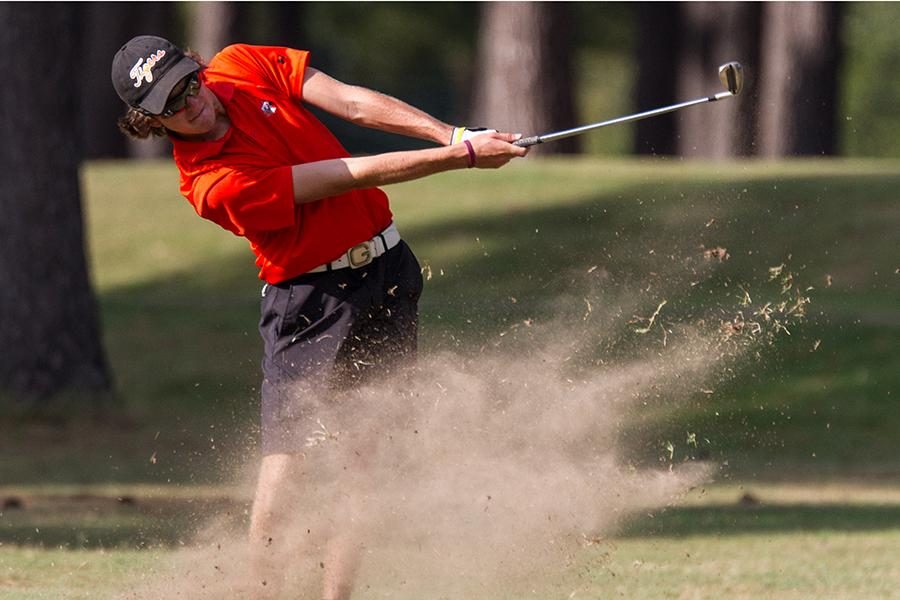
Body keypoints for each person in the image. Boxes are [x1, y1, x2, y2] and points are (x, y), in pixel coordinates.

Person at [111, 35, 528, 598]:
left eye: (190, 80)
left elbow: (351, 103)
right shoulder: (211, 185)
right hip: (310, 303)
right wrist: (461, 158)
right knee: (289, 466)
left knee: (367, 457)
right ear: (151, 122)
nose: (194, 101)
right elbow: (347, 174)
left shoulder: (238, 64)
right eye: (173, 102)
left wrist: (452, 134)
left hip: (389, 269)